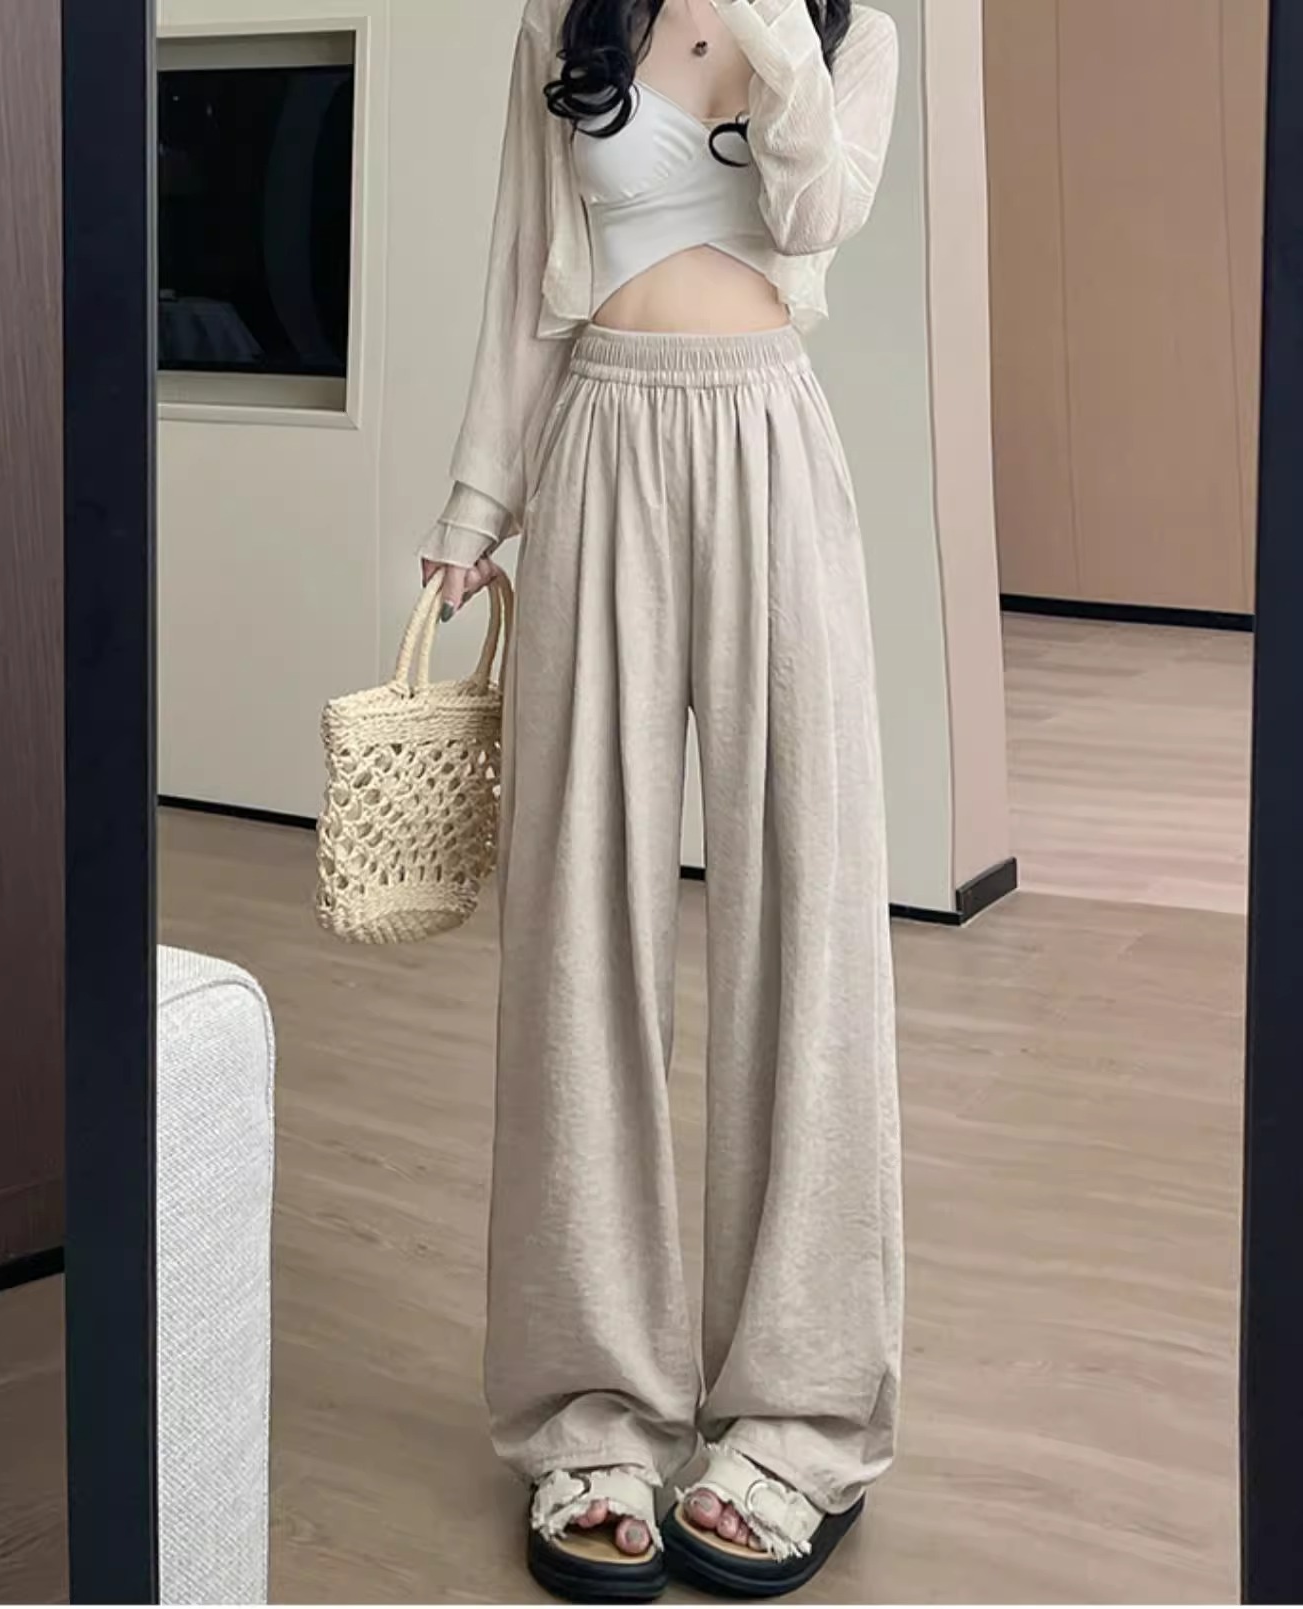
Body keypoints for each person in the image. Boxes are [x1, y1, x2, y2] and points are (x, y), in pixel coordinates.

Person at [418, 0, 902, 1597]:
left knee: (805, 934)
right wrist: (478, 502)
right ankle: (593, 1410)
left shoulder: (849, 34)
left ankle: (800, 1414)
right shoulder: (565, 20)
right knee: (580, 936)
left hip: (770, 444)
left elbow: (818, 215)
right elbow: (524, 277)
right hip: (598, 444)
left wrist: (773, 33)